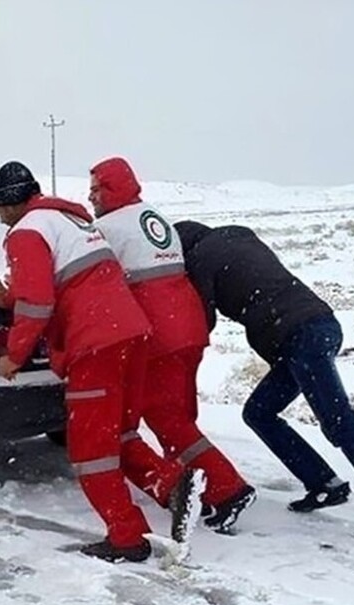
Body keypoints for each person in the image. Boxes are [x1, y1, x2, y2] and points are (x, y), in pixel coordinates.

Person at [0, 161, 199, 563]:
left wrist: (13, 357)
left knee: (90, 449)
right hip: (132, 333)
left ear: (12, 203)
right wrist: (8, 298)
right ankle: (171, 485)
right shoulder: (71, 221)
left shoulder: (26, 232)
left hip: (94, 343)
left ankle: (126, 538)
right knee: (119, 433)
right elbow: (65, 281)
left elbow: (37, 303)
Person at [175, 221, 354, 542]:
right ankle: (325, 483)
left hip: (299, 337)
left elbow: (202, 320)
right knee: (259, 412)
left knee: (341, 424)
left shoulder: (201, 257)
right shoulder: (238, 235)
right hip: (319, 325)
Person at [89, 158, 255, 533]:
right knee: (180, 414)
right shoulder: (153, 217)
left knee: (167, 419)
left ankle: (227, 490)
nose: (90, 196)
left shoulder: (107, 227)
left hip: (159, 335)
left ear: (113, 189)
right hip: (189, 326)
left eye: (97, 189)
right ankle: (194, 485)